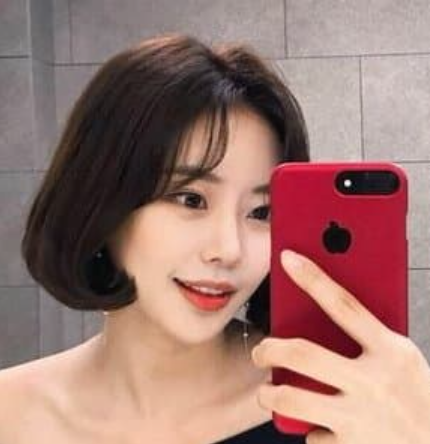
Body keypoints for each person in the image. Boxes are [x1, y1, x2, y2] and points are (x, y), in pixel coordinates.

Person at [0, 32, 429, 444]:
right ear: (103, 200)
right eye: (191, 199)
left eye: (261, 212)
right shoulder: (11, 413)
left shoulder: (339, 403)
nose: (229, 250)